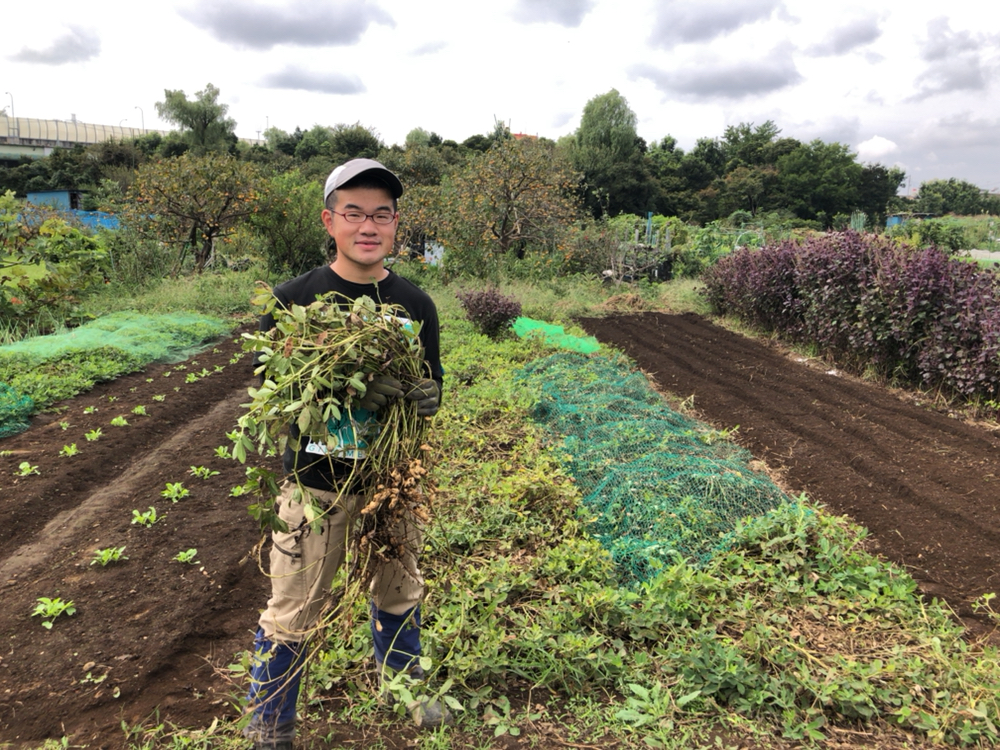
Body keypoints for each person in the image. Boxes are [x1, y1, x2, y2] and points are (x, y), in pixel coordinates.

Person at [244, 158, 447, 750]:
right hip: (316, 483)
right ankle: (271, 721)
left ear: (395, 225)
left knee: (400, 588)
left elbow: (434, 382)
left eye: (381, 214)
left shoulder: (415, 304)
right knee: (294, 604)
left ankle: (405, 687)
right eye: (354, 212)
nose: (368, 225)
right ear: (329, 221)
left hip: (393, 481)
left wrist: (428, 395)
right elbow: (271, 401)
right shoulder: (293, 301)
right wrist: (339, 388)